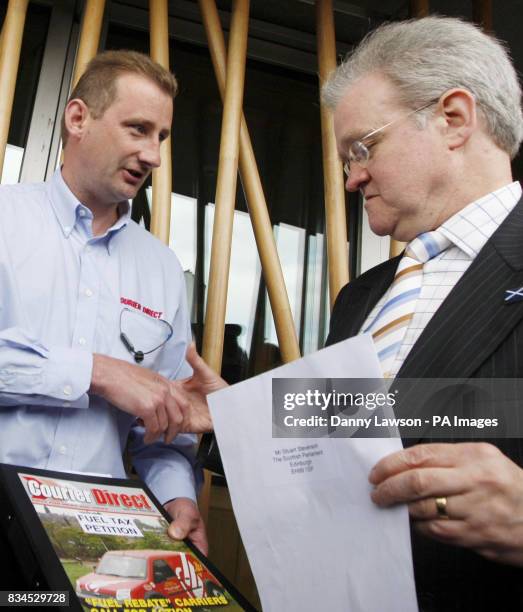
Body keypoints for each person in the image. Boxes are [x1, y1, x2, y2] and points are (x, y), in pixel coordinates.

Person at [172, 15, 523, 611]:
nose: (351, 176)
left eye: (364, 147)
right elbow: (345, 441)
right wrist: (228, 420)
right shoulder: (361, 297)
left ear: (454, 119)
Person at [0, 51, 207, 574]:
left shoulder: (162, 268)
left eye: (161, 136)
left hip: (89, 551)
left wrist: (179, 500)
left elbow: (162, 432)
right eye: (138, 128)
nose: (153, 155)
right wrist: (95, 372)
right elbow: (113, 381)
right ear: (77, 118)